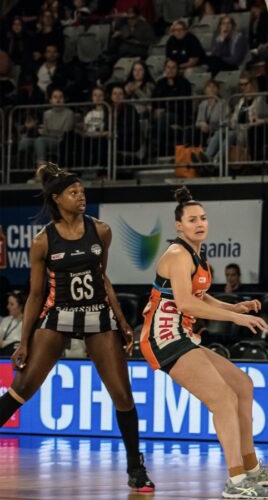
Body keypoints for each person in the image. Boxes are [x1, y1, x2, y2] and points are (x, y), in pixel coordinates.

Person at [0, 164, 154, 492]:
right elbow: (36, 295)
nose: (81, 196)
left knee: (123, 396)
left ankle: (135, 468)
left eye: (82, 191)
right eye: (73, 192)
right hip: (58, 315)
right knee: (22, 388)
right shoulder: (43, 241)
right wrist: (24, 341)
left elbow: (103, 279)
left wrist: (123, 323)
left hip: (98, 315)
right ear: (57, 199)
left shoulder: (101, 231)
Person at [139, 186, 268, 499]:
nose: (200, 223)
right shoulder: (177, 255)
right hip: (164, 337)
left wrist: (235, 307)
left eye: (203, 218)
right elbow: (187, 305)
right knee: (222, 399)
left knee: (242, 386)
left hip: (182, 336)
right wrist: (237, 319)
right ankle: (236, 482)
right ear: (179, 226)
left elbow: (200, 296)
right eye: (192, 219)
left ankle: (252, 469)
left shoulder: (196, 254)